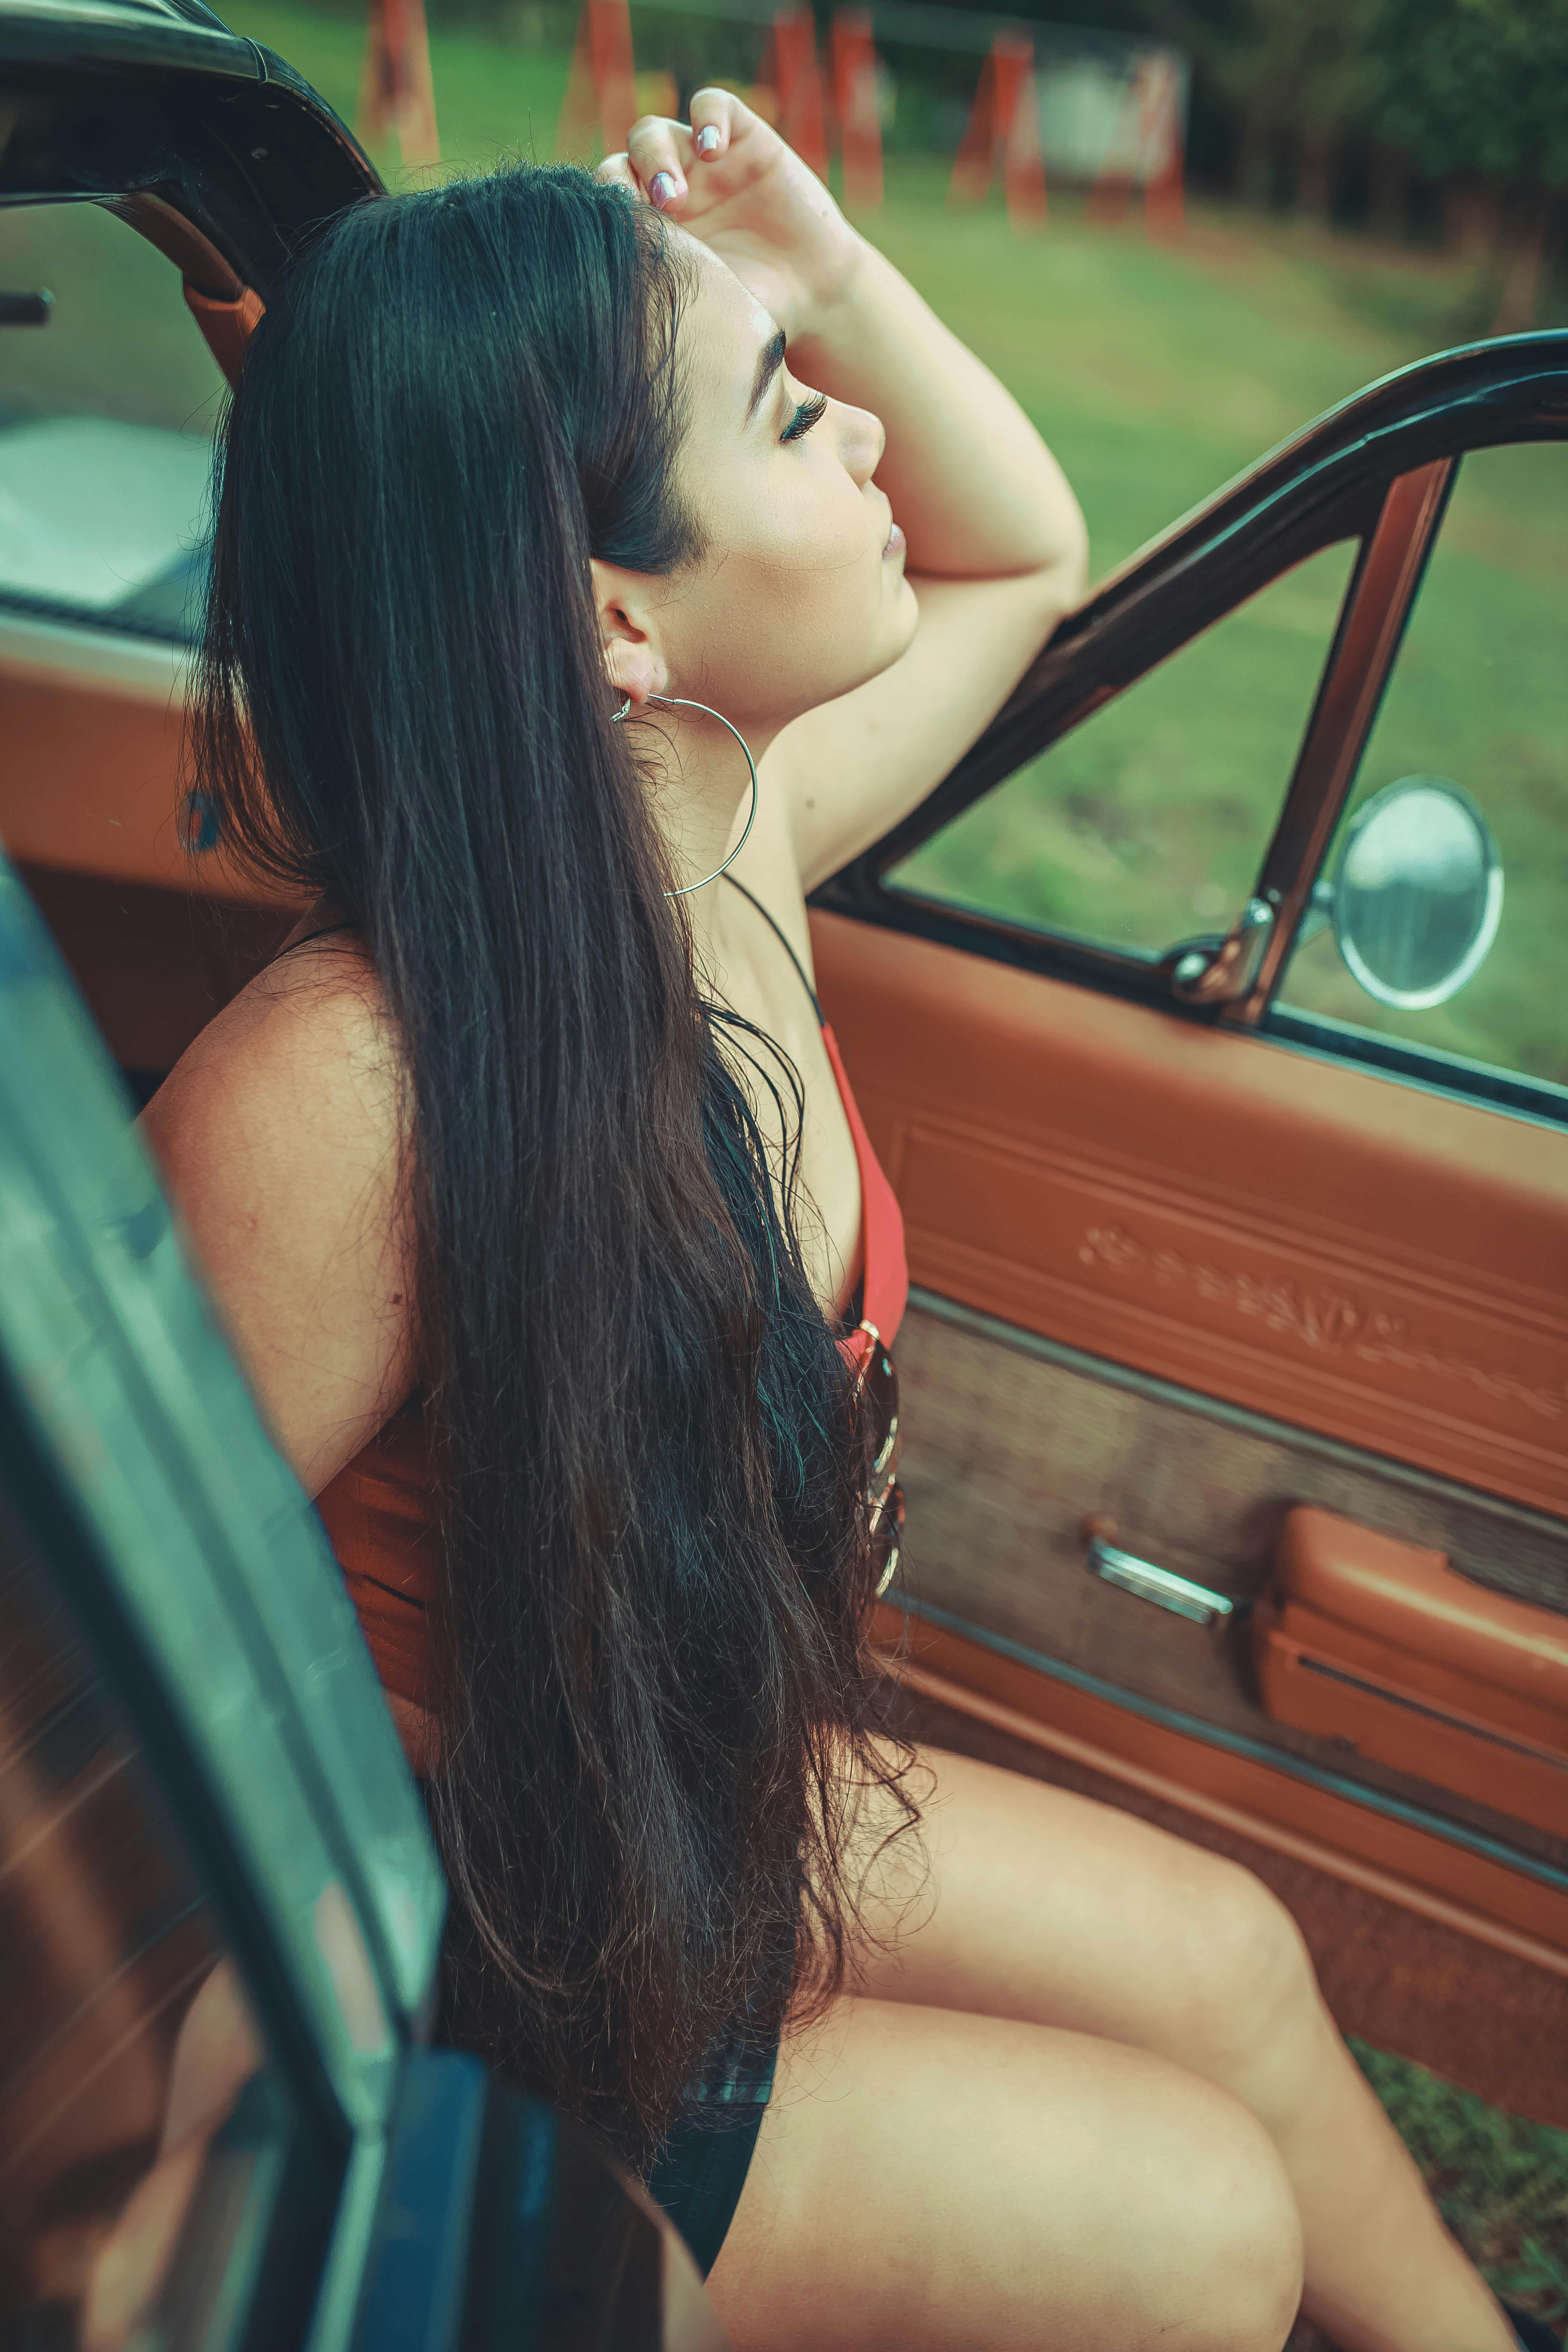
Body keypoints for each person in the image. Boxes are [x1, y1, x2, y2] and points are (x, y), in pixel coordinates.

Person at [142, 92, 1532, 2352]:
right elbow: (75, 1673)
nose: (867, 431)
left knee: (1235, 1974)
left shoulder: (731, 831)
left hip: (665, 1832)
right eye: (795, 412)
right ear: (613, 618)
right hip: (463, 1999)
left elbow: (1021, 552)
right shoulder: (349, 1098)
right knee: (1195, 2232)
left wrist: (808, 258)